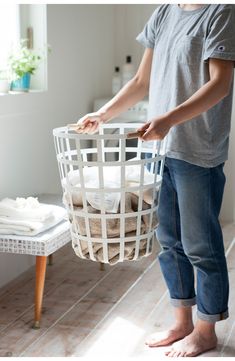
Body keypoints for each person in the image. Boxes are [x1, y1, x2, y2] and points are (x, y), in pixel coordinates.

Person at [74, 4, 235, 357]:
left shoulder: (221, 12)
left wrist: (168, 120)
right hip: (160, 149)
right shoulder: (164, 12)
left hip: (198, 150)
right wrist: (103, 114)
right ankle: (182, 322)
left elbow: (220, 85)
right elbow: (141, 81)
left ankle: (206, 330)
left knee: (201, 244)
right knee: (169, 241)